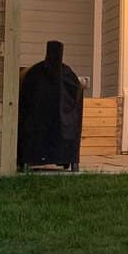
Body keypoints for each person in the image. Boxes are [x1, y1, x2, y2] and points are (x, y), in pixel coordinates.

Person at [17, 40, 84, 170]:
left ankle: (28, 160)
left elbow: (26, 98)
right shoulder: (66, 74)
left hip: (37, 124)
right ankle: (68, 160)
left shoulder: (34, 73)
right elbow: (76, 95)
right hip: (57, 126)